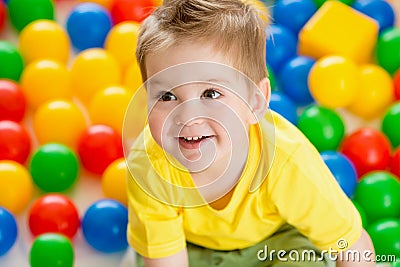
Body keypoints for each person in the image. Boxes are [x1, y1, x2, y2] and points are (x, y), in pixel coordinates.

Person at [125, 0, 375, 266]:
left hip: (277, 243)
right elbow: (167, 258)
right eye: (167, 96)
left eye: (211, 93)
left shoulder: (286, 162)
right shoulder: (149, 165)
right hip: (193, 248)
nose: (187, 116)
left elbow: (350, 244)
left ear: (255, 102)